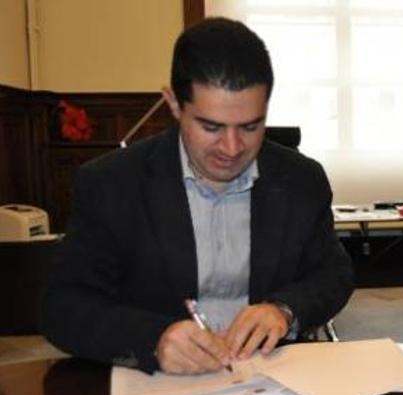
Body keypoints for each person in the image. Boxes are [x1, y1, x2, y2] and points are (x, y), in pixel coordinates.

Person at [41, 18, 354, 375]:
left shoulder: (301, 179)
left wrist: (284, 310)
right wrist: (154, 339)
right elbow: (62, 307)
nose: (232, 148)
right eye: (211, 127)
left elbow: (333, 274)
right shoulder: (111, 183)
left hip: (271, 392)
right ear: (173, 104)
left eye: (251, 126)